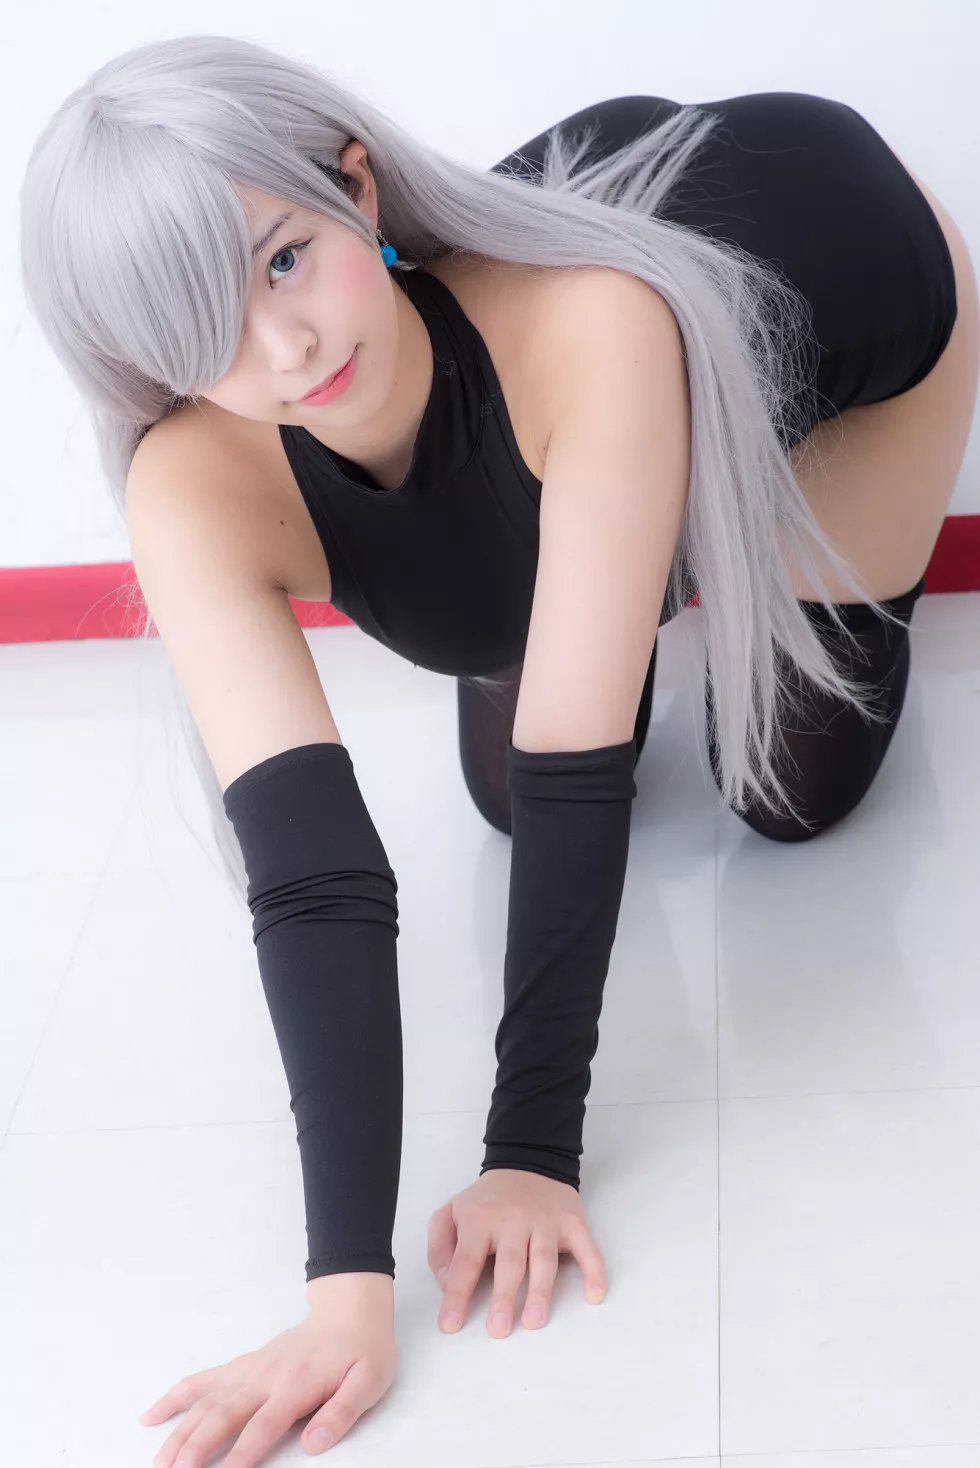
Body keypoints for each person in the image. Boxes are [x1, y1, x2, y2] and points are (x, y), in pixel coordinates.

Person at [18, 32, 978, 1466]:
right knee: (505, 795)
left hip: (849, 285)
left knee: (785, 789)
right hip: (594, 376)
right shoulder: (192, 477)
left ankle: (673, 507)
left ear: (356, 187)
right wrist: (344, 1301)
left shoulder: (589, 328)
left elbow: (580, 770)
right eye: (201, 325)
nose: (285, 350)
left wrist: (531, 1154)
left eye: (286, 259)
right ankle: (627, 524)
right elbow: (315, 880)